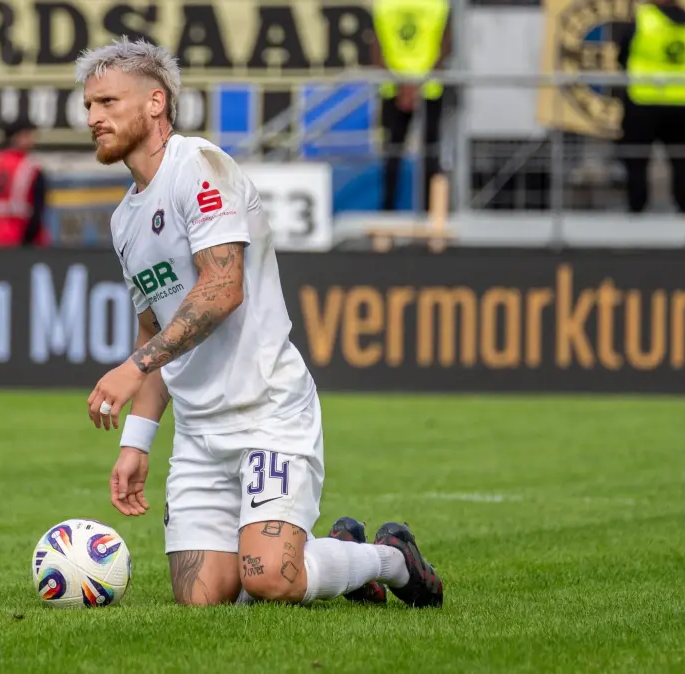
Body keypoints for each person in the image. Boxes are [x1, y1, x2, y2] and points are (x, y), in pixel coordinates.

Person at [76, 37, 444, 609]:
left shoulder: (198, 166)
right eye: (89, 107)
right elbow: (154, 331)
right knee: (203, 601)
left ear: (155, 103)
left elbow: (223, 288)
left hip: (268, 412)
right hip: (199, 434)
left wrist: (132, 367)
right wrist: (136, 442)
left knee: (268, 580)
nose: (94, 118)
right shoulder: (126, 218)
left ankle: (390, 560)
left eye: (107, 102)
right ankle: (331, 552)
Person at [614, 0, 685, 213]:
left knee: (636, 160)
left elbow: (622, 53)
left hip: (644, 99)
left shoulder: (643, 19)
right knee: (682, 162)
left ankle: (636, 210)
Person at [372, 0, 452, 212]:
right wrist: (417, 84)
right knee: (421, 151)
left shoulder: (384, 5)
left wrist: (403, 85)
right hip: (425, 87)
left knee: (397, 151)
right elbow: (447, 46)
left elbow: (375, 48)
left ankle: (391, 210)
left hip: (397, 88)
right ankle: (426, 210)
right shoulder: (438, 5)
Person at [0, 120, 50, 247]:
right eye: (28, 135)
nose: (32, 140)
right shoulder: (31, 168)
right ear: (16, 138)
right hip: (22, 240)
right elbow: (38, 210)